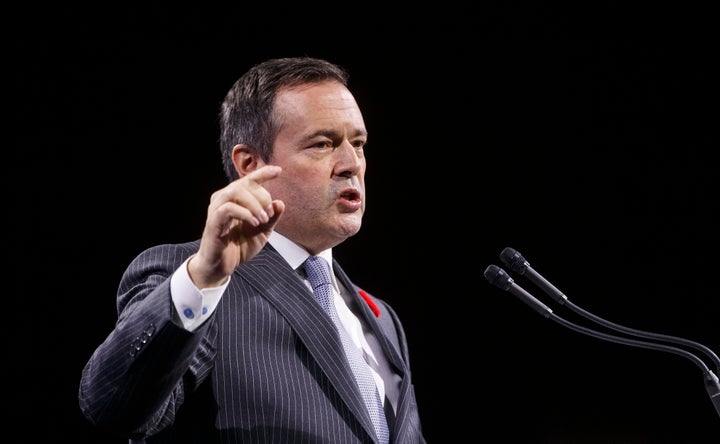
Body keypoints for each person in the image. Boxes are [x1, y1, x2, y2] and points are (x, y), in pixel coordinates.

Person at [78, 56, 426, 443]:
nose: (351, 164)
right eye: (323, 143)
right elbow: (112, 406)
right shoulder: (195, 278)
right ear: (250, 164)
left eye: (358, 143)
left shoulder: (382, 319)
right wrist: (205, 277)